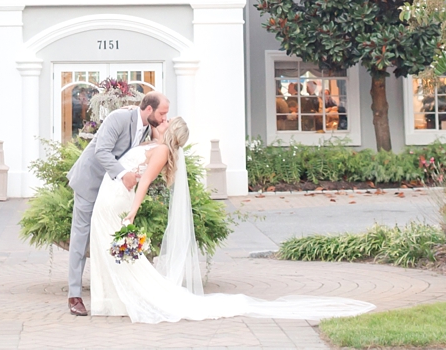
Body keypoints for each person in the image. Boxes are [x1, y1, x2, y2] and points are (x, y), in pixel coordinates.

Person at [85, 116, 375, 324]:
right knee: (106, 248)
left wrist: (133, 212)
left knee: (112, 248)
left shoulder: (161, 150)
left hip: (117, 201)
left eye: (165, 120)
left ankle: (123, 299)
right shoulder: (153, 144)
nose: (161, 120)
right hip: (112, 194)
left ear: (170, 130)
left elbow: (145, 181)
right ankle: (115, 299)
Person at [65, 91, 168, 316]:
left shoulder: (147, 127)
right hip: (90, 183)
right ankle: (74, 296)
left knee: (110, 238)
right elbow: (101, 151)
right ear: (149, 109)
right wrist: (123, 175)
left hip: (111, 192)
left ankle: (112, 294)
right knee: (81, 239)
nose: (164, 118)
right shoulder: (118, 118)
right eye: (162, 113)